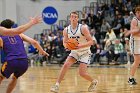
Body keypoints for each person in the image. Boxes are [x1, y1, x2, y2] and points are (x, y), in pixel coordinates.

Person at [50, 11, 98, 93]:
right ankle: (56, 85)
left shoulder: (83, 28)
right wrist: (67, 47)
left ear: (78, 19)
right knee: (65, 65)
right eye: (72, 16)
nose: (73, 18)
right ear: (70, 18)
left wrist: (80, 46)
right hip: (75, 52)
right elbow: (64, 42)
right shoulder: (66, 30)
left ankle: (94, 81)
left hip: (85, 52)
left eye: (75, 17)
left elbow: (91, 42)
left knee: (82, 73)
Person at [0, 19, 49, 93]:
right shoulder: (20, 34)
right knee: (15, 78)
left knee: (1, 77)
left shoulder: (1, 37)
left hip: (11, 61)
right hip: (24, 62)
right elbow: (34, 42)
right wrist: (42, 51)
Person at [125, 6, 140, 85]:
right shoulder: (134, 20)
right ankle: (130, 78)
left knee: (138, 61)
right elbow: (133, 33)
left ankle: (131, 77)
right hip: (135, 41)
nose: (139, 14)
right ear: (136, 13)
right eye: (138, 12)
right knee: (137, 60)